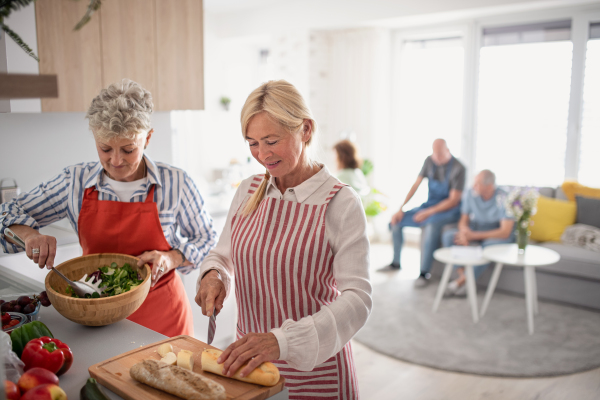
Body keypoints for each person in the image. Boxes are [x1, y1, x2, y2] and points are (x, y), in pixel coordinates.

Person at [195, 80, 371, 399]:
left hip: (317, 375)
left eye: (271, 140)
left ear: (305, 129)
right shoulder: (248, 190)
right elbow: (223, 255)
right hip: (249, 370)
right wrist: (214, 275)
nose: (262, 155)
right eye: (252, 143)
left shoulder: (340, 202)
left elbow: (358, 299)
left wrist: (283, 341)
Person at [0, 79, 217, 337]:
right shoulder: (75, 181)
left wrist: (172, 257)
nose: (115, 161)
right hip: (96, 317)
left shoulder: (176, 182)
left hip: (163, 316)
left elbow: (206, 238)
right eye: (105, 148)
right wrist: (30, 235)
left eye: (128, 149)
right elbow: (6, 213)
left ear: (147, 138)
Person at [382, 139, 465, 288]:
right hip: (429, 205)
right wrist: (401, 208)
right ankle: (395, 263)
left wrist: (428, 212)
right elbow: (416, 185)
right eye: (434, 153)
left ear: (448, 151)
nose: (437, 157)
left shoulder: (459, 168)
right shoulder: (429, 161)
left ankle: (424, 273)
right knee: (396, 221)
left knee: (430, 226)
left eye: (440, 154)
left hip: (449, 210)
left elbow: (453, 200)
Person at [441, 170, 514, 296]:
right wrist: (464, 232)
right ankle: (465, 278)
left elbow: (504, 232)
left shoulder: (504, 197)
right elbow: (463, 220)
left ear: (490, 186)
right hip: (476, 227)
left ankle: (459, 283)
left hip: (496, 232)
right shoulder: (470, 193)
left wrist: (473, 236)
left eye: (477, 184)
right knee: (449, 236)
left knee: (489, 246)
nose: (473, 186)